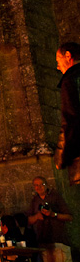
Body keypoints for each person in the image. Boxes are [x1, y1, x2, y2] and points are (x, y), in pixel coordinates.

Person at [28, 176, 74, 262]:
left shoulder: (55, 197)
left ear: (46, 185)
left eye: (41, 185)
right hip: (44, 241)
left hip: (58, 239)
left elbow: (69, 216)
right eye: (35, 185)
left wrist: (53, 215)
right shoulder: (34, 201)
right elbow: (28, 220)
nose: (38, 188)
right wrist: (37, 216)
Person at [55, 42, 80, 185]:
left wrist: (61, 154)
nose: (58, 67)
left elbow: (71, 119)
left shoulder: (70, 79)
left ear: (68, 56)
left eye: (58, 61)